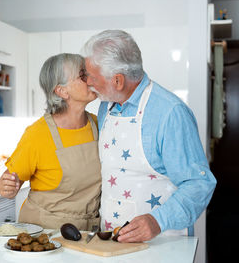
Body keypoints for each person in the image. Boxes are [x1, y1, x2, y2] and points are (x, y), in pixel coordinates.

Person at [82, 30, 217, 242]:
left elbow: (199, 184)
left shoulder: (170, 113)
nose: (88, 82)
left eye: (92, 77)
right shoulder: (105, 107)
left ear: (117, 81)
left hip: (162, 242)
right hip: (113, 243)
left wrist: (157, 221)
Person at [0, 53, 101, 230]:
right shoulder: (38, 134)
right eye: (83, 75)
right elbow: (9, 182)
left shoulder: (98, 125)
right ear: (62, 91)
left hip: (88, 230)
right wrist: (6, 186)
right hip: (45, 232)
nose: (92, 79)